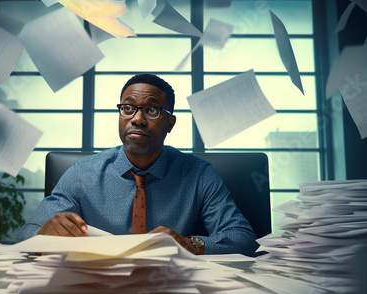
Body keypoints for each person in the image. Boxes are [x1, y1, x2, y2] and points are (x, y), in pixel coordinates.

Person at [16, 73, 258, 256]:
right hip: (96, 287)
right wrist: (43, 233)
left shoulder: (199, 174)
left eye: (152, 110)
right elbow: (24, 237)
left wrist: (190, 244)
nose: (137, 119)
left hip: (171, 288)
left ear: (170, 123)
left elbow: (243, 238)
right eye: (128, 108)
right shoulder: (82, 173)